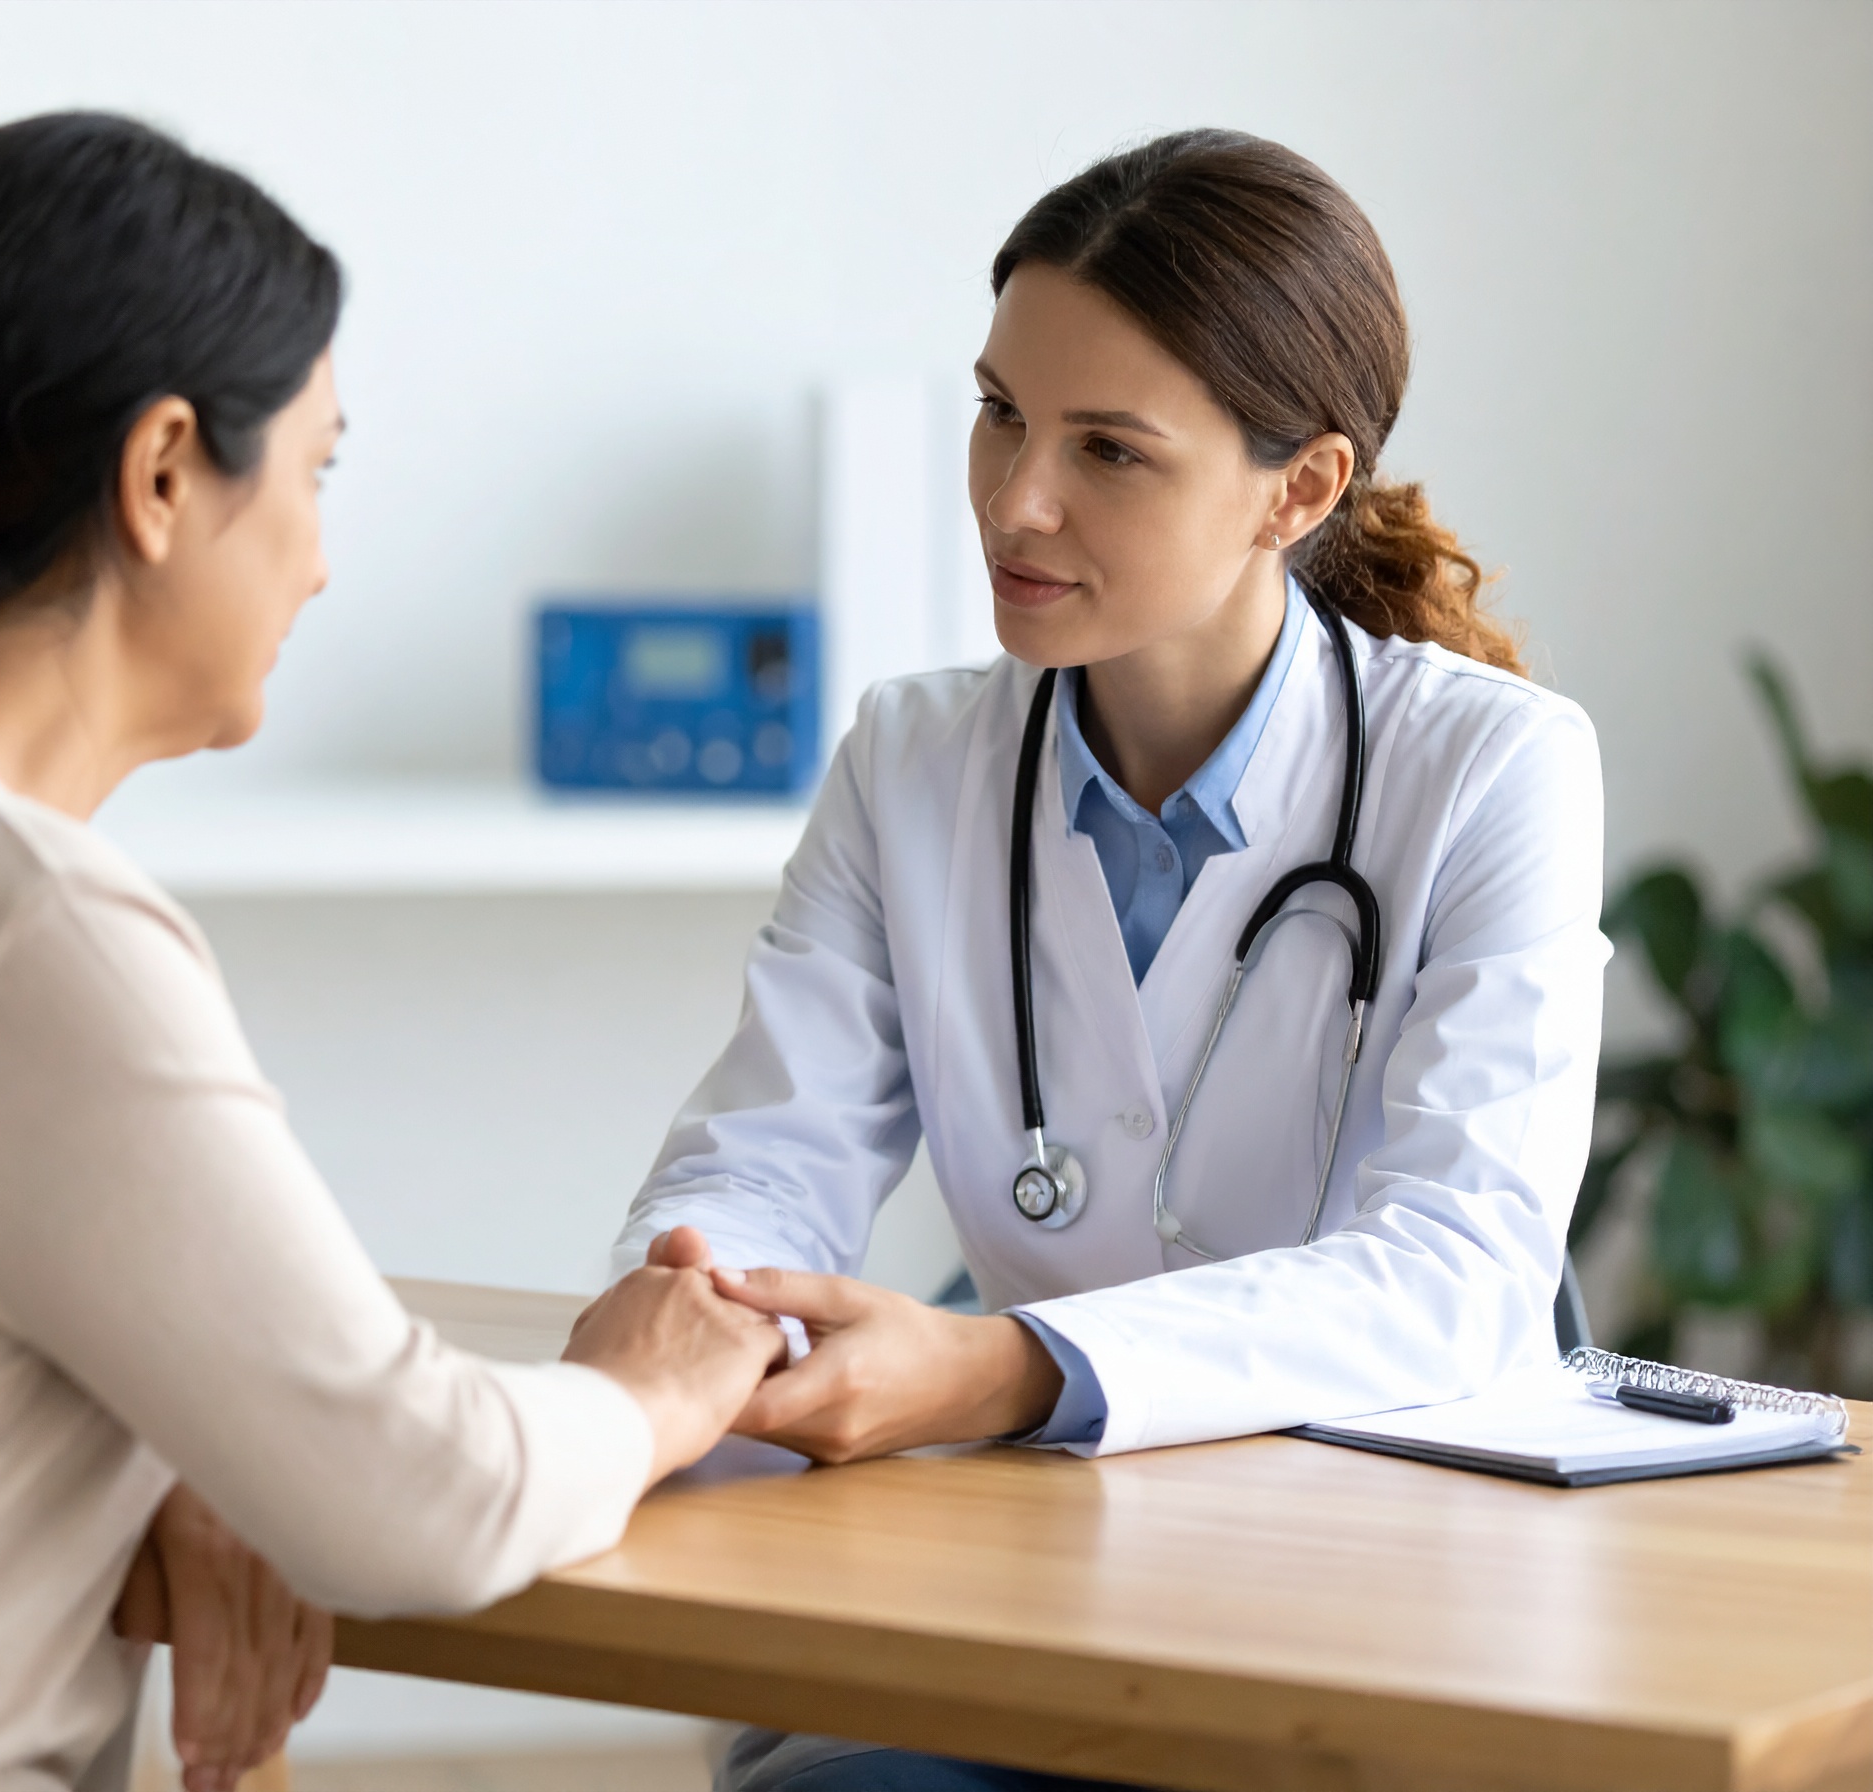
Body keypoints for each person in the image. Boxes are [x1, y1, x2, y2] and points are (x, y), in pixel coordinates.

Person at [0, 112, 781, 1792]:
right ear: (159, 476)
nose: (321, 555)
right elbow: (422, 1506)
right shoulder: (16, 916)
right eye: (314, 471)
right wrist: (644, 1391)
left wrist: (192, 1446)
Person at [614, 130, 1608, 1791]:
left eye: (1109, 450)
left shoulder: (1493, 770)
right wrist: (702, 1299)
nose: (1017, 500)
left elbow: (1459, 1271)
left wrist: (1006, 1366)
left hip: (1376, 1569)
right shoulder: (912, 758)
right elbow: (760, 1163)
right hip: (1050, 1543)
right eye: (999, 411)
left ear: (1298, 490)